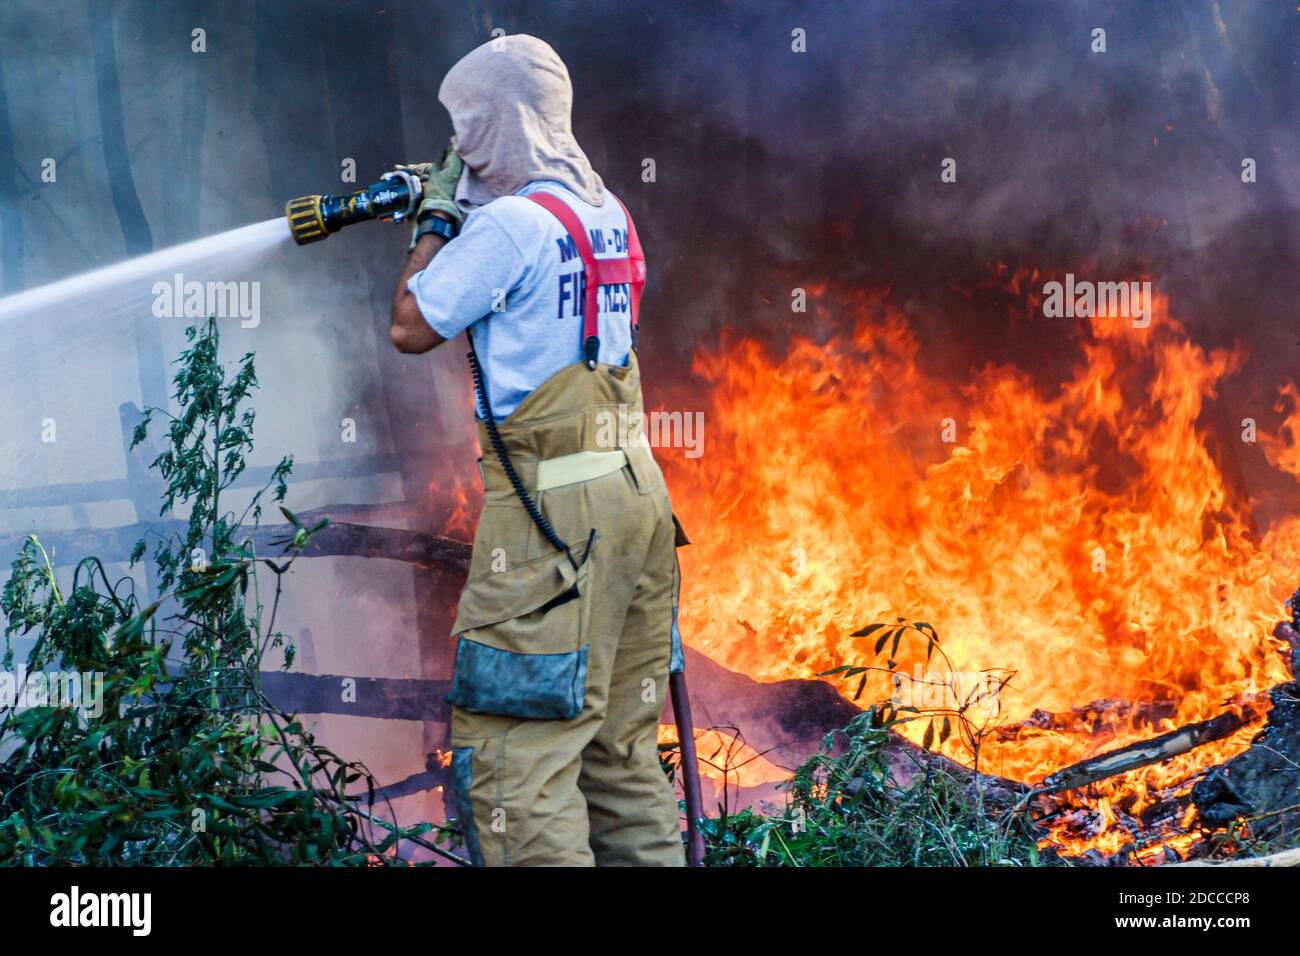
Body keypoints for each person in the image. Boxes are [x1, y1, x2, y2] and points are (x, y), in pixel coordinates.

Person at [388, 34, 687, 867]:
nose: (459, 146)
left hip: (554, 523)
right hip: (638, 504)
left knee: (521, 759)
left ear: (497, 122)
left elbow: (411, 324)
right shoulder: (606, 211)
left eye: (465, 127)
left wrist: (438, 217)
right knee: (620, 752)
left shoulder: (510, 227)